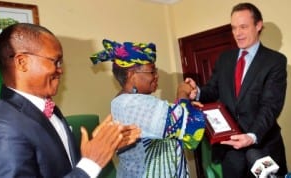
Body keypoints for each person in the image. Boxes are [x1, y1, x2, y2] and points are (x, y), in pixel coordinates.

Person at [0, 23, 141, 178]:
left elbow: (61, 166)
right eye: (56, 61)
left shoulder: (46, 107)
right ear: (22, 62)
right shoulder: (4, 127)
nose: (60, 70)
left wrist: (103, 147)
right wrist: (91, 164)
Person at [189, 2, 288, 177]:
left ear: (258, 25)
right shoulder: (225, 58)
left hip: (262, 147)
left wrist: (252, 136)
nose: (237, 33)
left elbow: (270, 106)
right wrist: (197, 92)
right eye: (234, 28)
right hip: (231, 152)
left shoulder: (275, 61)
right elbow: (213, 89)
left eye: (243, 27)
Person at [90, 39, 206, 178]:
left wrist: (183, 107)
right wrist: (183, 93)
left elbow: (167, 125)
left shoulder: (124, 101)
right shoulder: (133, 104)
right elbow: (191, 128)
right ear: (131, 74)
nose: (156, 75)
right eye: (152, 71)